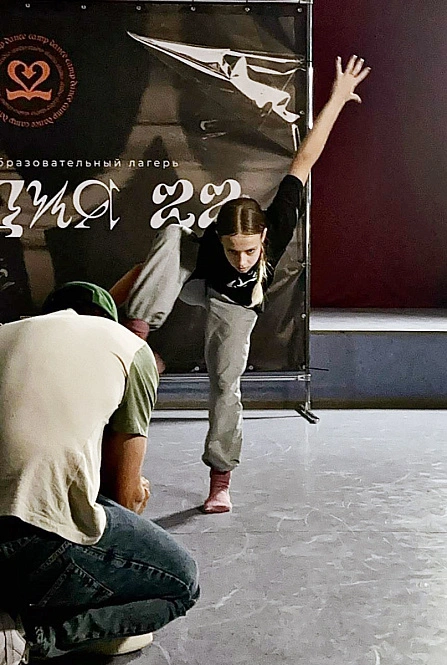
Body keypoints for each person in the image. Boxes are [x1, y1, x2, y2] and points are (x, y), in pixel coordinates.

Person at [111, 55, 371, 514]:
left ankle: (220, 479)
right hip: (196, 284)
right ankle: (138, 338)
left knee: (225, 385)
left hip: (235, 308)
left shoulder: (279, 221)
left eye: (250, 251)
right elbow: (161, 265)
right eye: (234, 251)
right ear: (221, 239)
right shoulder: (211, 244)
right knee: (171, 236)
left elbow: (305, 158)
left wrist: (335, 99)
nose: (243, 259)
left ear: (264, 237)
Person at [0, 281, 199, 664]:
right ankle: (26, 639)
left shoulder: (8, 334)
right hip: (25, 539)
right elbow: (124, 494)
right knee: (180, 583)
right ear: (110, 320)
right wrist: (136, 493)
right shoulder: (129, 348)